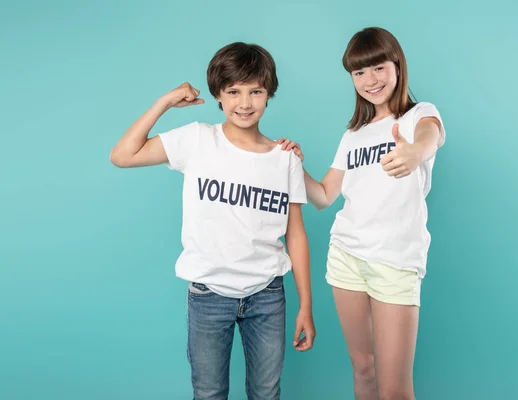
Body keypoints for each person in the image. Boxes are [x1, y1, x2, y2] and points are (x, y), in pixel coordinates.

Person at [110, 42, 315, 400]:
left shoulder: (285, 158)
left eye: (256, 91)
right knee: (209, 393)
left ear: (269, 94)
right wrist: (165, 102)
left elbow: (296, 233)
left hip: (267, 296)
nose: (245, 103)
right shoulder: (197, 139)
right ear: (218, 95)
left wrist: (306, 306)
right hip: (208, 294)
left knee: (267, 393)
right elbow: (122, 155)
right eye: (233, 92)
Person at [279, 27, 445, 400]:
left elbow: (430, 136)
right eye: (359, 73)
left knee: (395, 390)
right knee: (364, 370)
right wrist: (292, 163)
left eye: (378, 68)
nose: (370, 80)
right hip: (346, 257)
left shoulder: (418, 115)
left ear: (397, 67)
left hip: (395, 261)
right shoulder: (353, 134)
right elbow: (323, 196)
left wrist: (415, 153)